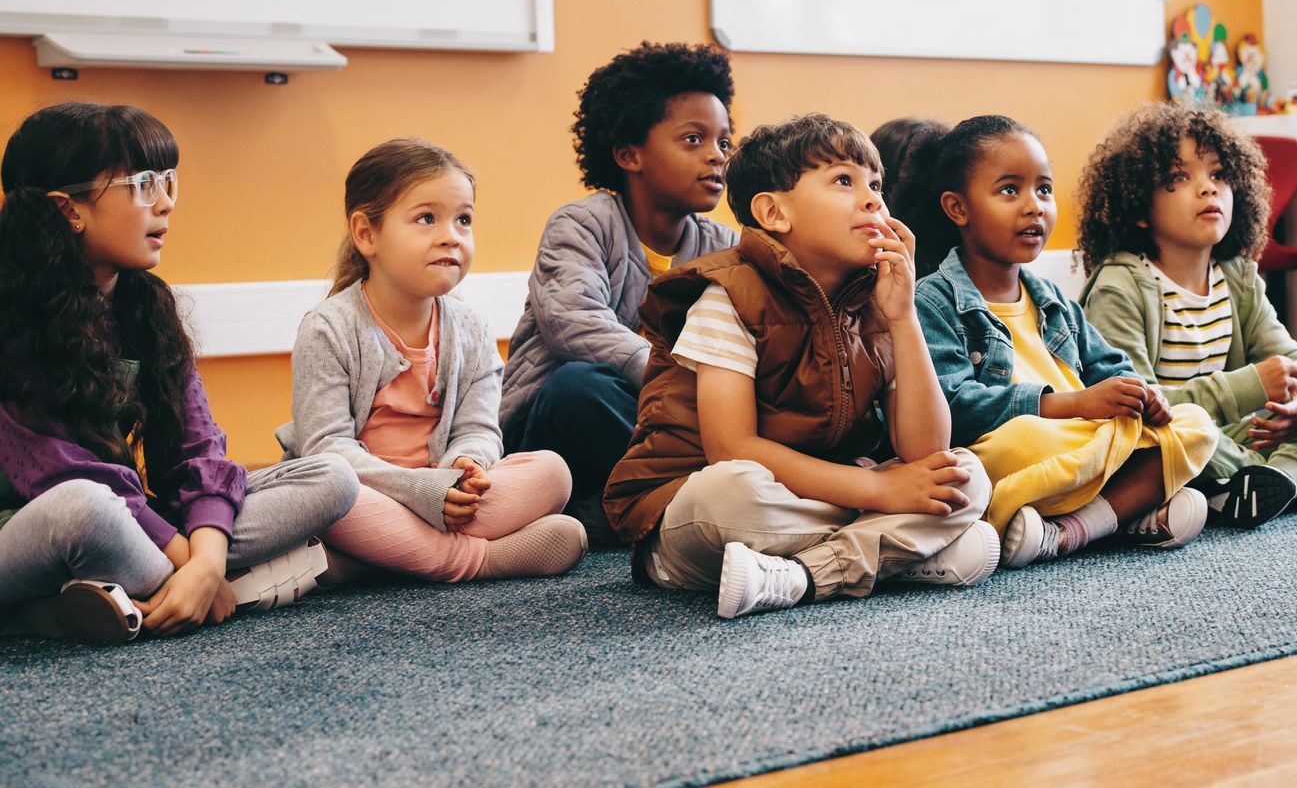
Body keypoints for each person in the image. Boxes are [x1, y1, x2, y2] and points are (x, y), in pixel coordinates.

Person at [602, 114, 996, 619]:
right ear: (774, 212)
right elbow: (731, 448)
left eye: (876, 184)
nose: (874, 199)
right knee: (731, 491)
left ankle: (803, 577)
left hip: (817, 499)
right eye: (843, 181)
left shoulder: (879, 302)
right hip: (696, 510)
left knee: (964, 477)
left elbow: (925, 451)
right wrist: (878, 491)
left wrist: (903, 318)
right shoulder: (728, 295)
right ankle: (892, 552)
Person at [0, 103, 358, 643]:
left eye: (169, 180)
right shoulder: (12, 315)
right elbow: (62, 476)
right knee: (87, 509)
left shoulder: (146, 306)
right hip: (30, 529)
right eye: (143, 184)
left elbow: (199, 452)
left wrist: (206, 560)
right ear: (67, 209)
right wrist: (192, 562)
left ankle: (100, 605)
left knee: (331, 477)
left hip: (133, 529)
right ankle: (212, 592)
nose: (166, 202)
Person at [900, 115, 1218, 569]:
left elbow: (1112, 369)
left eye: (1044, 189)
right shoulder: (933, 301)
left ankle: (1075, 529)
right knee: (1024, 440)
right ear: (958, 208)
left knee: (1194, 424)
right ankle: (1122, 510)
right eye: (1010, 190)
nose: (1035, 207)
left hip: (1081, 442)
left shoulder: (1053, 300)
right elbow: (955, 407)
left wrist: (1143, 398)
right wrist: (1076, 405)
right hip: (1026, 448)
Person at [279, 139, 585, 585]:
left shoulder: (472, 328)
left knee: (553, 472)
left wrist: (466, 466)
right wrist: (421, 492)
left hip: (445, 494)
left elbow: (479, 428)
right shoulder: (327, 328)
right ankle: (477, 561)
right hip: (369, 493)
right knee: (330, 491)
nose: (451, 236)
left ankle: (376, 558)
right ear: (367, 234)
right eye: (427, 219)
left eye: (463, 219)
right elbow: (327, 450)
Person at [1077, 103, 1297, 528]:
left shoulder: (1238, 278)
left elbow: (1295, 362)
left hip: (1234, 437)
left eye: (1219, 174)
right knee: (1183, 432)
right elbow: (1134, 409)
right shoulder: (1121, 286)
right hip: (1168, 436)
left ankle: (1275, 483)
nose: (1208, 189)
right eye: (1179, 178)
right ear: (1139, 208)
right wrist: (1250, 386)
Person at [499, 42, 739, 546]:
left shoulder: (727, 247)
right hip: (559, 428)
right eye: (693, 139)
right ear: (630, 155)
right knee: (580, 387)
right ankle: (653, 502)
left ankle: (624, 512)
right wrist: (682, 377)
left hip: (666, 421)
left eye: (723, 141)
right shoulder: (581, 224)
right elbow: (574, 323)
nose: (717, 155)